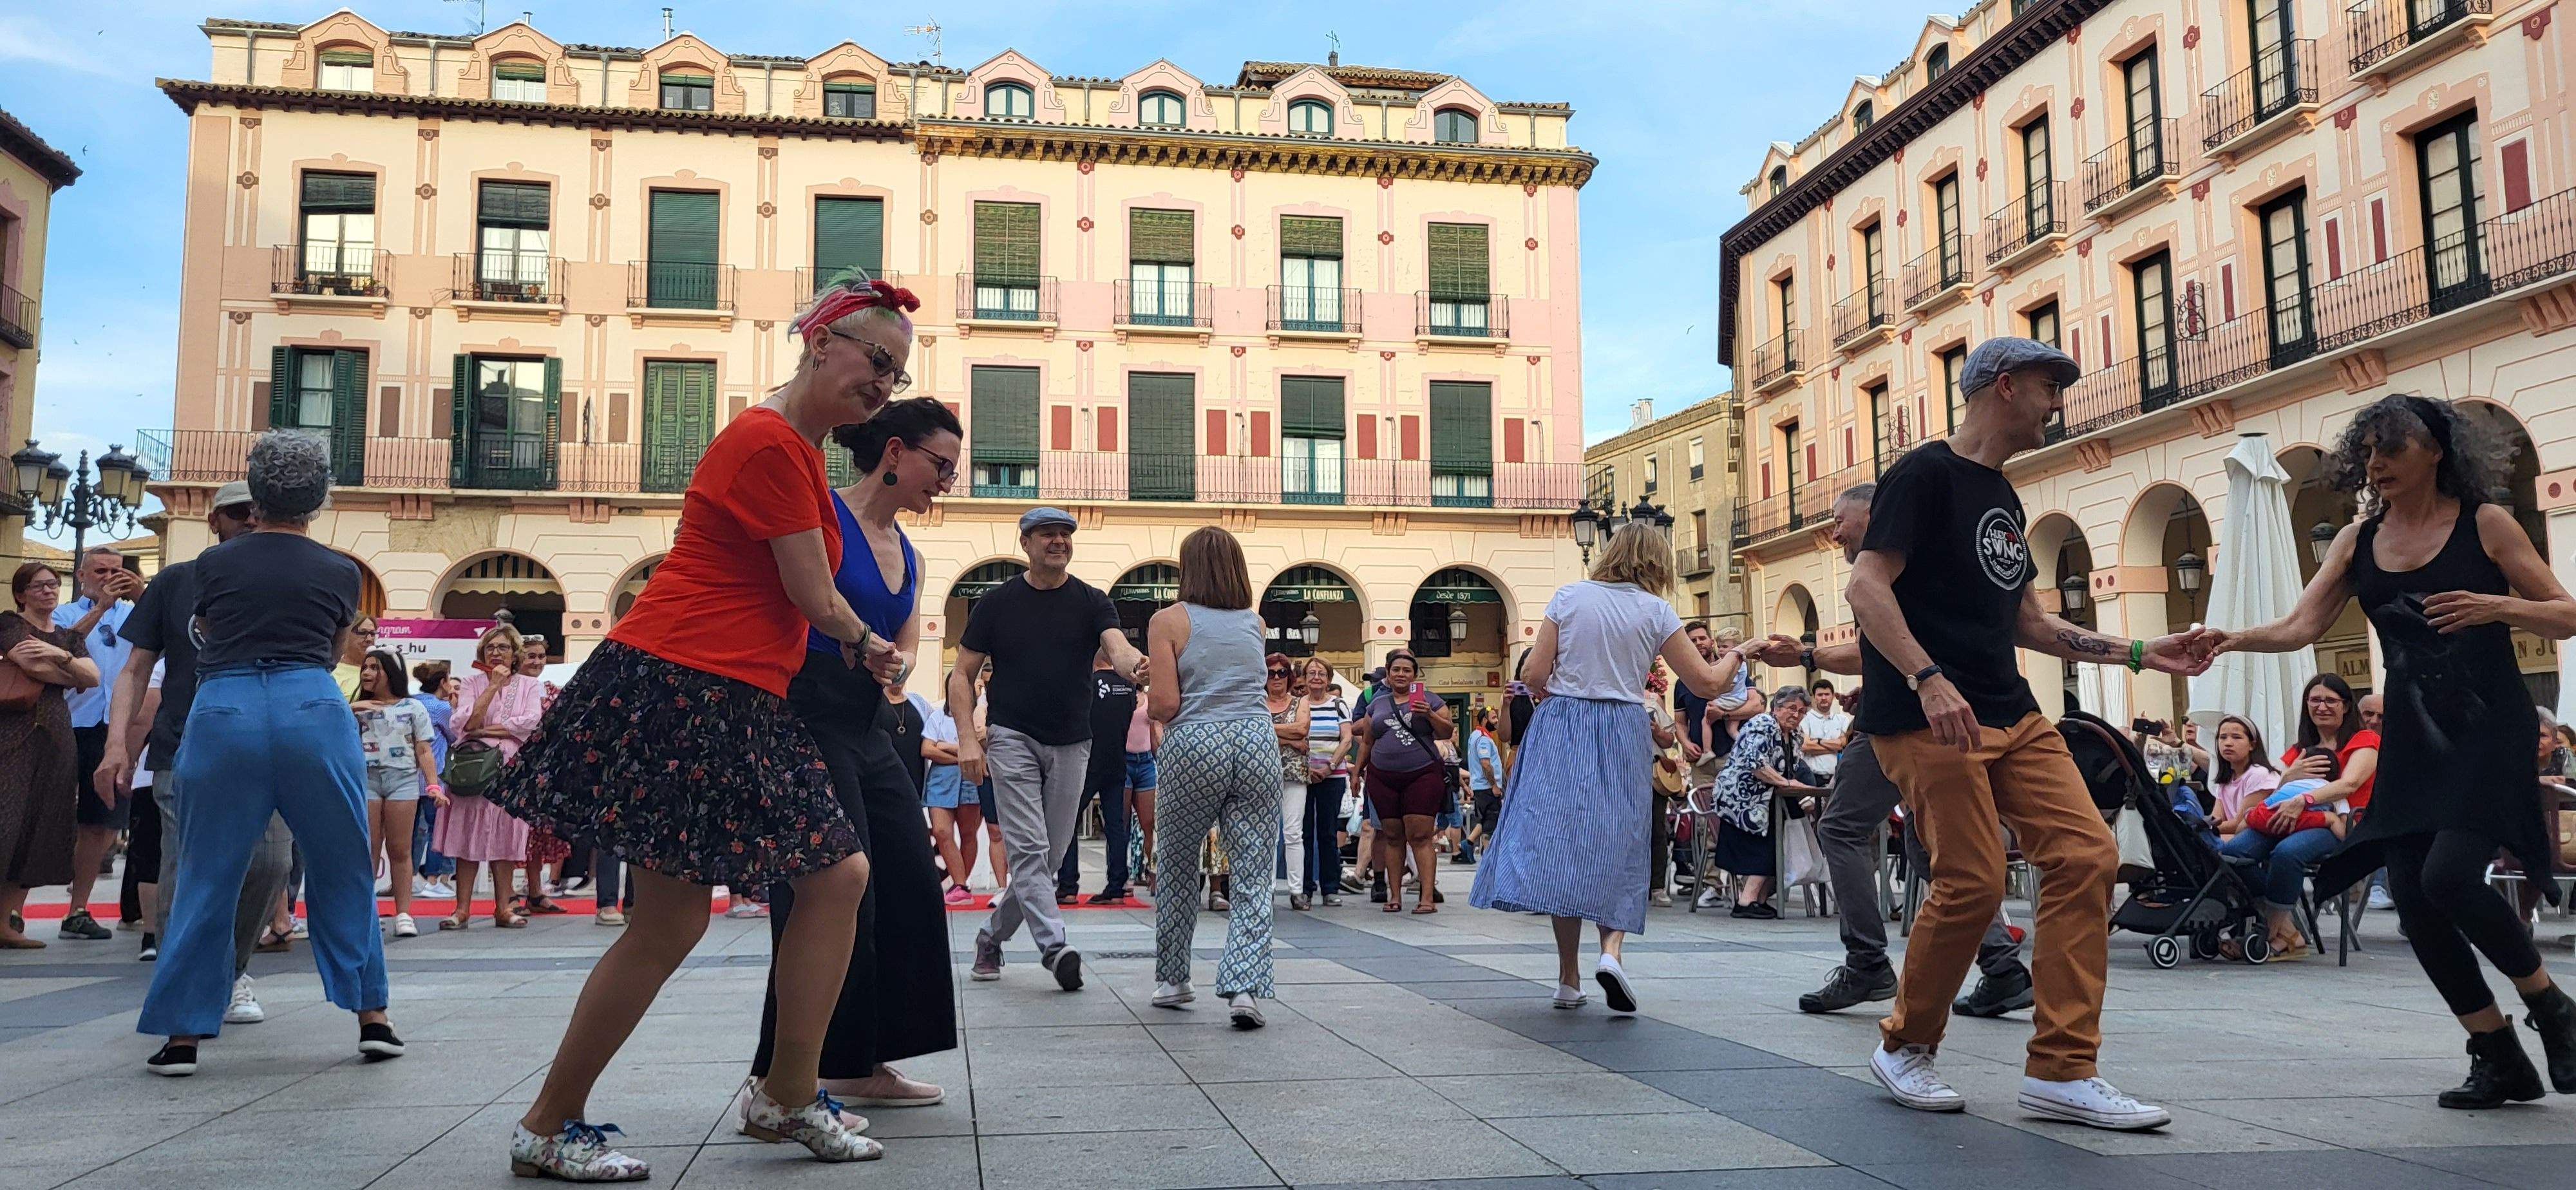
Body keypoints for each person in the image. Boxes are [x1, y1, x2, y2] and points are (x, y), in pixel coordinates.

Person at [489, 278, 915, 1176]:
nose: (885, 384)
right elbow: (811, 595)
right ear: (820, 342)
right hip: (686, 685)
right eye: (876, 360)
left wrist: (858, 642)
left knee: (819, 880)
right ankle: (553, 1121)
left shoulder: (795, 446)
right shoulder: (768, 442)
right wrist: (871, 643)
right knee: (682, 920)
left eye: (898, 372)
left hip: (720, 692)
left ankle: (784, 1093)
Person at [1846, 337, 2209, 1129]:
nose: (2057, 404)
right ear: (2004, 387)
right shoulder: (1922, 474)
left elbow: (2031, 624)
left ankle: (2061, 1071)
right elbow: (1866, 586)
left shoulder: (2003, 498)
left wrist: (2145, 651)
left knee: (2087, 855)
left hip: (2010, 712)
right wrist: (1926, 677)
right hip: (1923, 717)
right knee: (1973, 878)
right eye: (2050, 388)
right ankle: (1905, 1045)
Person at [2203, 393, 2576, 1108]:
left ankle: (2551, 1005)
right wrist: (2230, 638)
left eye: (2391, 446)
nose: (2375, 462)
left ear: (2436, 450)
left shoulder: (2486, 524)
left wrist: (2499, 607)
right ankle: (2497, 1053)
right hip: (2411, 733)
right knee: (2412, 893)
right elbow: (2298, 625)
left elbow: (2564, 613)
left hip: (2485, 728)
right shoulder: (2355, 540)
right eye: (2366, 450)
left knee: (2448, 878)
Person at [137, 431, 402, 1077]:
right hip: (310, 704)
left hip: (225, 704)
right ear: (317, 500)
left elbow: (205, 630)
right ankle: (373, 1018)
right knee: (342, 864)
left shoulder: (213, 565)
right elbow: (338, 643)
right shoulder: (341, 570)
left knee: (207, 872)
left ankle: (183, 1036)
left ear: (254, 495)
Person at [746, 395, 961, 1117]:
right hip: (800, 710)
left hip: (869, 722)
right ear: (895, 452)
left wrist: (892, 668)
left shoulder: (913, 553)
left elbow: (901, 649)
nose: (946, 482)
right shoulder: (821, 515)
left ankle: (863, 1059)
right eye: (941, 465)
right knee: (830, 890)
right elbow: (792, 600)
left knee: (907, 879)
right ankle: (797, 1069)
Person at [1470, 521, 1752, 1013]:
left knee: (1564, 845)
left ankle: (1567, 979)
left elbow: (1534, 676)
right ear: (1657, 562)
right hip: (1623, 724)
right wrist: (1742, 653)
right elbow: (1708, 683)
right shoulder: (1656, 610)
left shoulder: (1570, 597)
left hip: (1562, 724)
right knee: (1620, 841)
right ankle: (1612, 953)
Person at [1798, 483, 2034, 1017]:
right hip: (1951, 715)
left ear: (1877, 515)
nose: (1834, 531)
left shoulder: (1886, 573)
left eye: (1842, 520)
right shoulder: (1927, 562)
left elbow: (1873, 650)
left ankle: (1866, 964)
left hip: (1901, 720)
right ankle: (2001, 967)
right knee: (1931, 846)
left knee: (1840, 826)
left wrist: (1810, 652)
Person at [95, 482, 290, 1020]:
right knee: (188, 863)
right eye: (235, 512)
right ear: (214, 521)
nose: (249, 519)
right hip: (182, 743)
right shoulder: (178, 581)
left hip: (266, 744)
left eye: (258, 511)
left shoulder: (287, 581)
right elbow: (135, 669)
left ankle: (230, 969)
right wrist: (117, 744)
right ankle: (193, 976)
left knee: (273, 861)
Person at [951, 507, 1147, 991]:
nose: (1057, 542)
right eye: (1047, 535)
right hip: (1012, 736)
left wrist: (1135, 665)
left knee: (1051, 857)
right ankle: (1054, 945)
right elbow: (961, 675)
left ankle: (990, 939)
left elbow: (1117, 648)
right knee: (1029, 848)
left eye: (1064, 534)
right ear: (1026, 543)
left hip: (1073, 741)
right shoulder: (995, 605)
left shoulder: (1092, 601)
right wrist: (966, 737)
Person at [1144, 525, 1281, 1028]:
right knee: (1252, 868)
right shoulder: (1255, 622)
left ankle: (1174, 979)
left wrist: (1152, 677)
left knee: (1179, 862)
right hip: (1256, 739)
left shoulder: (1168, 621)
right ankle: (1245, 985)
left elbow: (1164, 704)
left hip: (1196, 741)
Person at [2215, 675, 2378, 960]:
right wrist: (2288, 777)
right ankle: (2288, 931)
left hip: (2339, 823)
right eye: (2315, 700)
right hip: (2290, 817)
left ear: (2346, 706)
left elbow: (2348, 785)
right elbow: (2281, 792)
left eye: (2331, 700)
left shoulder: (2365, 740)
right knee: (2232, 854)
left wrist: (2304, 800)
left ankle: (2269, 933)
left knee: (2287, 854)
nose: (2322, 706)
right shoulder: (2300, 748)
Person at [3, 562, 99, 948]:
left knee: (37, 825)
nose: (48, 591)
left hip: (56, 735)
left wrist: (55, 655)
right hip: (12, 731)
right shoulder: (9, 623)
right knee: (7, 819)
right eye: (39, 586)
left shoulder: (65, 637)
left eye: (52, 585)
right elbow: (31, 665)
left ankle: (8, 921)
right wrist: (66, 667)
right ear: (22, 594)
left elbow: (92, 678)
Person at [52, 545, 140, 941]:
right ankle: (14, 907)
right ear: (83, 574)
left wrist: (138, 594)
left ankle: (78, 907)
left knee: (104, 819)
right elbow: (64, 646)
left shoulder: (135, 616)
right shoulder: (64, 615)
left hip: (114, 728)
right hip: (68, 723)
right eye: (100, 570)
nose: (108, 577)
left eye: (116, 571)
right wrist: (100, 608)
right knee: (45, 816)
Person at [434, 626, 543, 931]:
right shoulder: (471, 682)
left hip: (508, 769)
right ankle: (462, 909)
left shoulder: (529, 686)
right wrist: (492, 687)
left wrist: (484, 729)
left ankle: (503, 908)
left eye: (503, 647)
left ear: (514, 653)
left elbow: (532, 723)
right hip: (471, 768)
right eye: (490, 647)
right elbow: (465, 722)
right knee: (467, 835)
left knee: (505, 835)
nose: (496, 652)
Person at [1709, 686, 1828, 918]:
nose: (1797, 715)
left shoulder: (1794, 735)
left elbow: (1794, 767)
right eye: (1792, 708)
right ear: (1777, 707)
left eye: (1802, 711)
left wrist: (1799, 786)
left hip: (1768, 799)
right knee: (1770, 839)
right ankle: (1745, 902)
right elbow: (1756, 764)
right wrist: (1787, 783)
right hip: (1743, 801)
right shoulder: (1763, 724)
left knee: (1782, 829)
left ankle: (1760, 900)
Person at [352, 650, 443, 940]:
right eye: (365, 667)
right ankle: (366, 912)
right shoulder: (354, 708)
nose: (367, 673)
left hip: (403, 779)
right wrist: (354, 706)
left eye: (374, 668)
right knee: (369, 848)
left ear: (390, 672)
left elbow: (424, 749)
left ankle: (404, 913)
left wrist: (433, 785)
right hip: (365, 778)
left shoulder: (413, 708)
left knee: (401, 849)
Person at [1357, 651, 1453, 914]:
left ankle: (1426, 898)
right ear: (1388, 674)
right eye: (1396, 670)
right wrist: (1357, 772)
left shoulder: (1431, 700)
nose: (1401, 674)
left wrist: (1430, 715)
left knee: (1420, 836)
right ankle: (1395, 895)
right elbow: (1367, 741)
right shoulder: (1377, 704)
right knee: (1393, 836)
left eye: (1407, 670)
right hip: (1382, 777)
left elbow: (1447, 732)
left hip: (1421, 774)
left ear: (1415, 675)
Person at [1061, 652, 1141, 905]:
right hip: (1117, 760)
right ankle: (1117, 886)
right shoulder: (1129, 687)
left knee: (1067, 822)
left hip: (1087, 762)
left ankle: (1068, 885)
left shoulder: (1087, 683)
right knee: (1116, 825)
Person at [1261, 653, 1313, 909]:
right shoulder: (1257, 702)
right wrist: (1290, 739)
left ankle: (1297, 889)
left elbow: (1302, 729)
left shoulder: (1300, 702)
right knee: (1267, 833)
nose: (1277, 678)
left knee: (1294, 832)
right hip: (1262, 773)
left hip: (1293, 773)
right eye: (1271, 673)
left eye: (1282, 673)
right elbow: (1254, 730)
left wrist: (1268, 729)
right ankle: (1267, 888)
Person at [1300, 657, 1352, 906]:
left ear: (1329, 679)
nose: (1316, 678)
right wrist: (1307, 769)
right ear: (1304, 678)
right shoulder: (1299, 705)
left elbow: (1347, 739)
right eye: (1311, 673)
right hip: (1303, 777)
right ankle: (1305, 888)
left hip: (1333, 776)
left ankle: (1331, 888)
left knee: (1329, 833)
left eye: (1321, 673)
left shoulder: (1339, 705)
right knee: (1303, 834)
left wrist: (1330, 766)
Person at [920, 680, 976, 905]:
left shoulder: (979, 716)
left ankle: (959, 885)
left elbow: (981, 747)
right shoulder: (937, 717)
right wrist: (961, 757)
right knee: (942, 832)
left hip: (970, 781)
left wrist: (945, 747)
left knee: (968, 833)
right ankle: (961, 884)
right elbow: (927, 749)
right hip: (941, 781)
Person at [410, 662, 459, 902]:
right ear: (442, 682)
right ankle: (433, 878)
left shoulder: (411, 702)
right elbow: (455, 736)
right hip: (435, 776)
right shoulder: (441, 708)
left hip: (409, 776)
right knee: (436, 829)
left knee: (411, 831)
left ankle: (407, 878)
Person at [2205, 715, 2280, 841]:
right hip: (2232, 837)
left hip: (2256, 839)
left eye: (2236, 737)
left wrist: (2204, 829)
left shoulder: (2259, 774)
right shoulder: (2226, 778)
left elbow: (2240, 823)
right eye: (2223, 737)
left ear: (2252, 745)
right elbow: (2216, 819)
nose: (2228, 743)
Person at [1800, 679, 1852, 785]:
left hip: (1838, 779)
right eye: (1820, 695)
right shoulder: (1805, 719)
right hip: (1813, 779)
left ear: (1833, 696)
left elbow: (1844, 744)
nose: (1824, 698)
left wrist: (1817, 741)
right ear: (1814, 697)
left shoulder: (1842, 720)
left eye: (1827, 694)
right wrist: (1836, 748)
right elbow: (1805, 746)